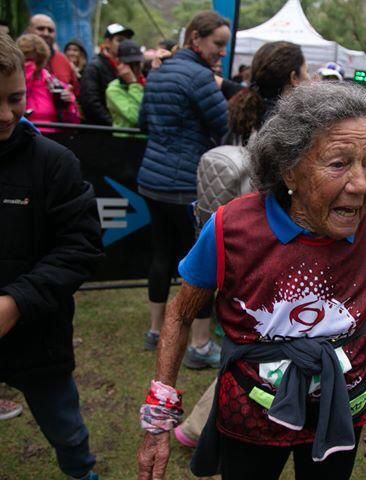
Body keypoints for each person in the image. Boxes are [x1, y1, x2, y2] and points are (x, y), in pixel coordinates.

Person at [137, 82, 366, 480]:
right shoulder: (233, 227)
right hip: (252, 410)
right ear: (289, 168)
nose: (361, 184)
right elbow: (180, 313)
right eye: (339, 163)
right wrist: (158, 418)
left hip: (341, 405)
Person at [0, 15, 103, 480]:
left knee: (66, 429)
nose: (6, 114)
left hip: (36, 335)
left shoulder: (53, 163)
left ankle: (81, 473)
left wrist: (17, 300)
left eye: (16, 98)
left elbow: (82, 246)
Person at [172, 40, 310, 448]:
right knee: (260, 342)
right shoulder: (286, 125)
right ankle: (200, 428)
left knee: (250, 337)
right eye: (303, 74)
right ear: (291, 78)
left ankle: (198, 426)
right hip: (267, 238)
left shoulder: (244, 106)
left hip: (233, 230)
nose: (308, 81)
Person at [137, 11, 229, 363]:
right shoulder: (200, 77)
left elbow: (144, 121)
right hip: (186, 183)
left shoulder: (159, 73)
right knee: (200, 262)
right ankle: (200, 345)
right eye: (217, 44)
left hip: (151, 180)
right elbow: (225, 125)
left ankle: (155, 330)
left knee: (161, 255)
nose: (221, 52)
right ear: (196, 39)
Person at [225, 40, 309, 146]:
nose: (309, 77)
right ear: (294, 78)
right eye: (307, 71)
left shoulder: (244, 110)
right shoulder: (289, 127)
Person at [16, 33, 80, 131]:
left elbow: (73, 122)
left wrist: (69, 104)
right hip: (23, 135)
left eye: (36, 61)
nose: (31, 65)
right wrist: (26, 75)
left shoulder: (52, 83)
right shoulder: (12, 82)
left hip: (52, 137)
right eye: (27, 60)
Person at [80, 23, 134, 125]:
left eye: (127, 40)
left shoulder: (129, 66)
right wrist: (113, 124)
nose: (124, 44)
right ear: (107, 42)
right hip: (104, 132)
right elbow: (91, 103)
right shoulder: (94, 67)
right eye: (119, 40)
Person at [25, 14, 80, 96]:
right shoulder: (18, 59)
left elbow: (75, 92)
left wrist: (70, 95)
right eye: (40, 28)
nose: (46, 33)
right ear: (29, 30)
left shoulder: (63, 60)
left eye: (50, 30)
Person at [105, 39, 145, 133]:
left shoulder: (145, 82)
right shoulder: (113, 89)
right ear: (119, 63)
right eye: (130, 64)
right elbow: (136, 117)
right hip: (125, 140)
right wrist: (133, 84)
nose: (135, 69)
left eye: (137, 63)